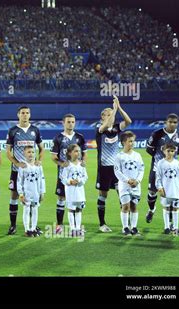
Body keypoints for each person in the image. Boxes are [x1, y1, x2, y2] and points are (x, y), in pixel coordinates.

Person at [95, 96, 132, 233]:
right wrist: (114, 109)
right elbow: (106, 125)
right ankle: (102, 224)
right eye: (109, 115)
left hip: (117, 169)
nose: (112, 117)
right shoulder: (100, 129)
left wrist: (119, 107)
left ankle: (126, 225)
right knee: (102, 196)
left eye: (112, 114)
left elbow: (128, 121)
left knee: (122, 196)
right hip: (104, 168)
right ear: (103, 117)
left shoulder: (117, 128)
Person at [6, 106, 44, 235]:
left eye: (27, 113)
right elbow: (8, 152)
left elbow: (42, 148)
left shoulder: (35, 130)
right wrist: (17, 163)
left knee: (33, 197)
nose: (25, 115)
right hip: (17, 170)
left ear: (30, 115)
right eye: (23, 113)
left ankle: (32, 226)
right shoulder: (13, 131)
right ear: (18, 115)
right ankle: (13, 225)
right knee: (14, 196)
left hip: (31, 170)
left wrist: (39, 160)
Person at [145, 113, 179, 224]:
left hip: (172, 170)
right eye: (170, 122)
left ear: (177, 123)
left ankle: (171, 216)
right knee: (152, 192)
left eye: (175, 122)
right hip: (157, 168)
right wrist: (160, 160)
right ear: (166, 122)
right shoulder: (157, 134)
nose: (172, 124)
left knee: (172, 193)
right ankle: (151, 209)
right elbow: (149, 149)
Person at [51, 114, 87, 234]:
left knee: (77, 200)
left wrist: (83, 163)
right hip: (64, 174)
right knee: (61, 198)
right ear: (63, 123)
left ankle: (77, 226)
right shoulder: (58, 138)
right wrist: (63, 164)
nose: (71, 124)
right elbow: (53, 157)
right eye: (68, 122)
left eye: (72, 122)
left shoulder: (80, 137)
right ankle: (59, 225)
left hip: (77, 173)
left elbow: (85, 153)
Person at [114, 131, 144, 236]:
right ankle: (125, 228)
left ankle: (134, 228)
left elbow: (141, 170)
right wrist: (128, 180)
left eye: (133, 141)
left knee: (134, 206)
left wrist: (137, 181)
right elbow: (117, 172)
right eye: (130, 141)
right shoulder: (119, 156)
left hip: (136, 185)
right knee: (125, 206)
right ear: (123, 142)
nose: (132, 143)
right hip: (124, 186)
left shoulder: (138, 155)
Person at [155, 143, 179, 236]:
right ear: (164, 151)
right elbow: (158, 177)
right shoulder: (160, 163)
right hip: (166, 190)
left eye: (172, 151)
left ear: (174, 152)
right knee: (166, 208)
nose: (170, 153)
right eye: (168, 151)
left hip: (176, 190)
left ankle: (176, 228)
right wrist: (160, 187)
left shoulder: (177, 163)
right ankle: (167, 227)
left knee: (175, 208)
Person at [17, 146, 46, 237]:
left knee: (35, 210)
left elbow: (42, 179)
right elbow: (19, 181)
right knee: (26, 210)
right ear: (24, 154)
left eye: (33, 152)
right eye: (29, 152)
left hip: (36, 193)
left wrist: (42, 192)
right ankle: (27, 229)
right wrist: (21, 194)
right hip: (27, 193)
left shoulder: (38, 166)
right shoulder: (23, 166)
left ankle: (33, 229)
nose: (31, 154)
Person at [61, 144, 88, 237]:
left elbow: (85, 177)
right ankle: (72, 229)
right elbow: (63, 178)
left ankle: (78, 228)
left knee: (79, 209)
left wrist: (80, 180)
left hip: (80, 190)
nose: (78, 153)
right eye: (76, 151)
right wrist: (70, 181)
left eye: (79, 151)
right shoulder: (67, 165)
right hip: (70, 190)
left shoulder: (82, 164)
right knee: (71, 209)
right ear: (69, 153)